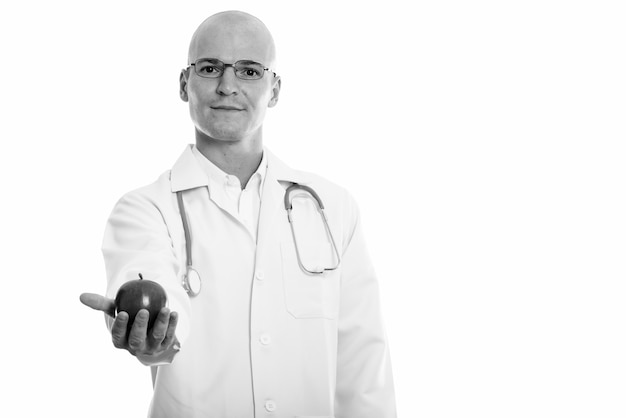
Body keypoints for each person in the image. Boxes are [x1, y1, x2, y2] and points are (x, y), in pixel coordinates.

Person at [80, 10, 396, 417]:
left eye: (249, 71)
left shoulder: (332, 209)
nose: (228, 86)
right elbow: (146, 277)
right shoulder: (144, 209)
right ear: (184, 84)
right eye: (210, 68)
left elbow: (364, 366)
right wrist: (152, 330)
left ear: (275, 88)